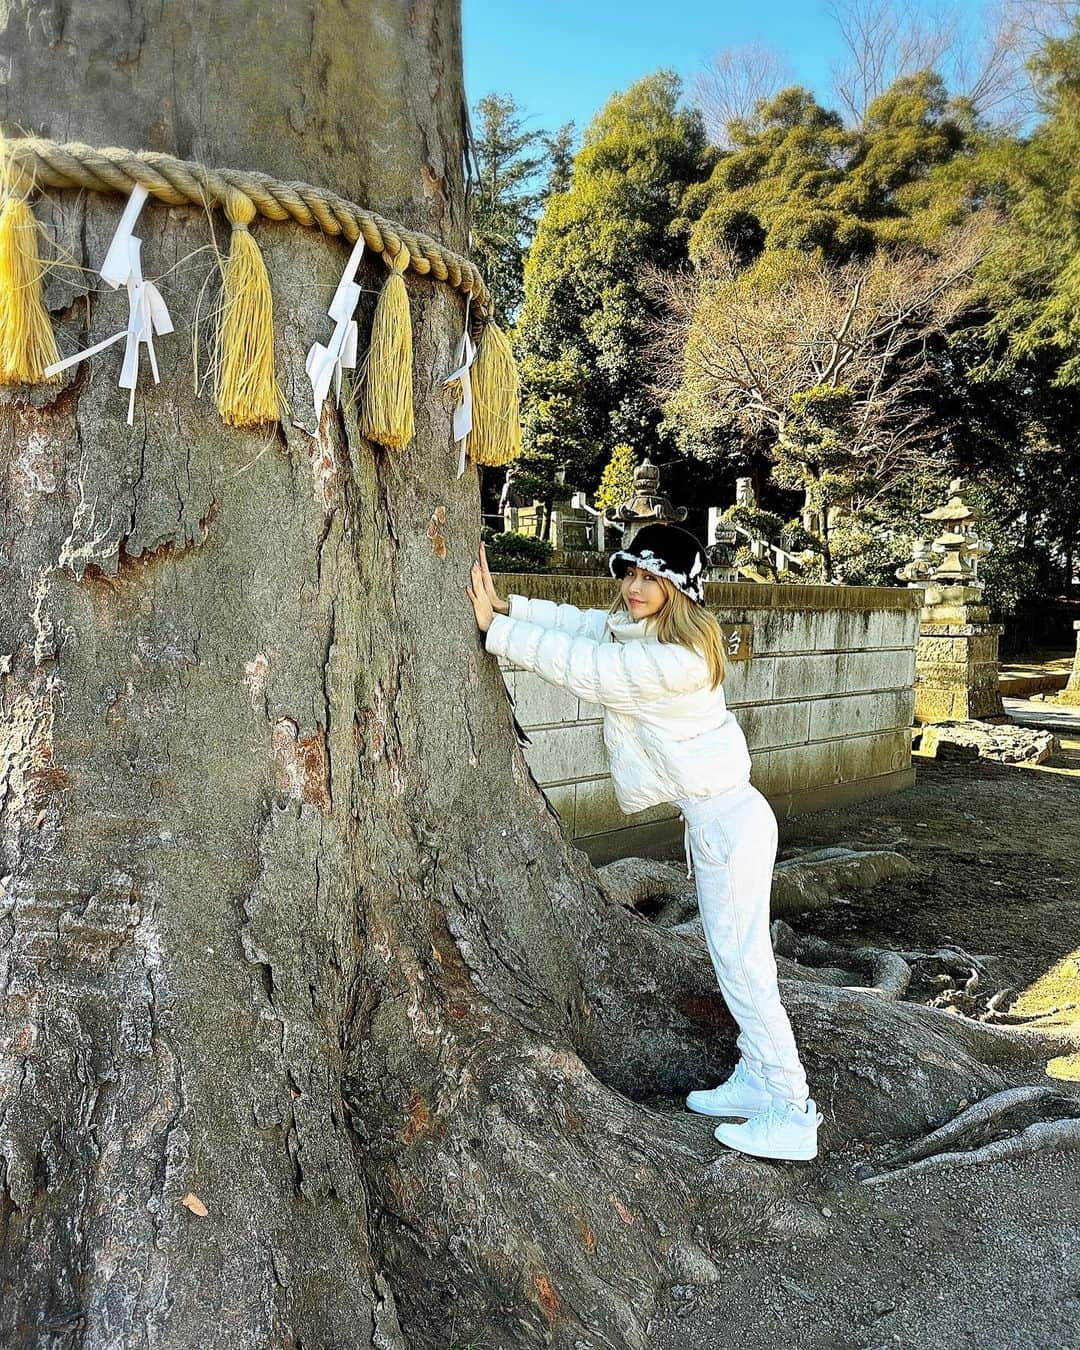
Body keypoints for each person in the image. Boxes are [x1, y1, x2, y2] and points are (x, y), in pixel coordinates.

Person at [465, 523, 822, 1162]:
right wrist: (511, 605)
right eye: (629, 573)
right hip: (715, 824)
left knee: (746, 968)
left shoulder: (677, 660)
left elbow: (594, 670)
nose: (633, 587)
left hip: (731, 826)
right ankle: (756, 1077)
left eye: (650, 577)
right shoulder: (647, 633)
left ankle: (792, 1109)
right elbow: (584, 629)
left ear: (678, 589)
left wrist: (499, 630)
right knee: (731, 962)